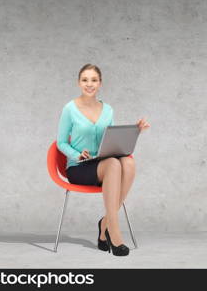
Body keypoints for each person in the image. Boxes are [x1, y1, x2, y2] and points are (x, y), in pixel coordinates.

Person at [56, 64, 150, 256]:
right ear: (78, 82)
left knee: (128, 163)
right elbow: (61, 143)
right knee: (114, 165)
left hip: (104, 162)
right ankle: (114, 232)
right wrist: (76, 154)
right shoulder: (70, 109)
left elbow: (112, 139)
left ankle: (105, 223)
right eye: (85, 80)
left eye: (94, 80)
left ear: (100, 83)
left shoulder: (108, 109)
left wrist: (135, 130)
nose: (89, 84)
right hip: (79, 167)